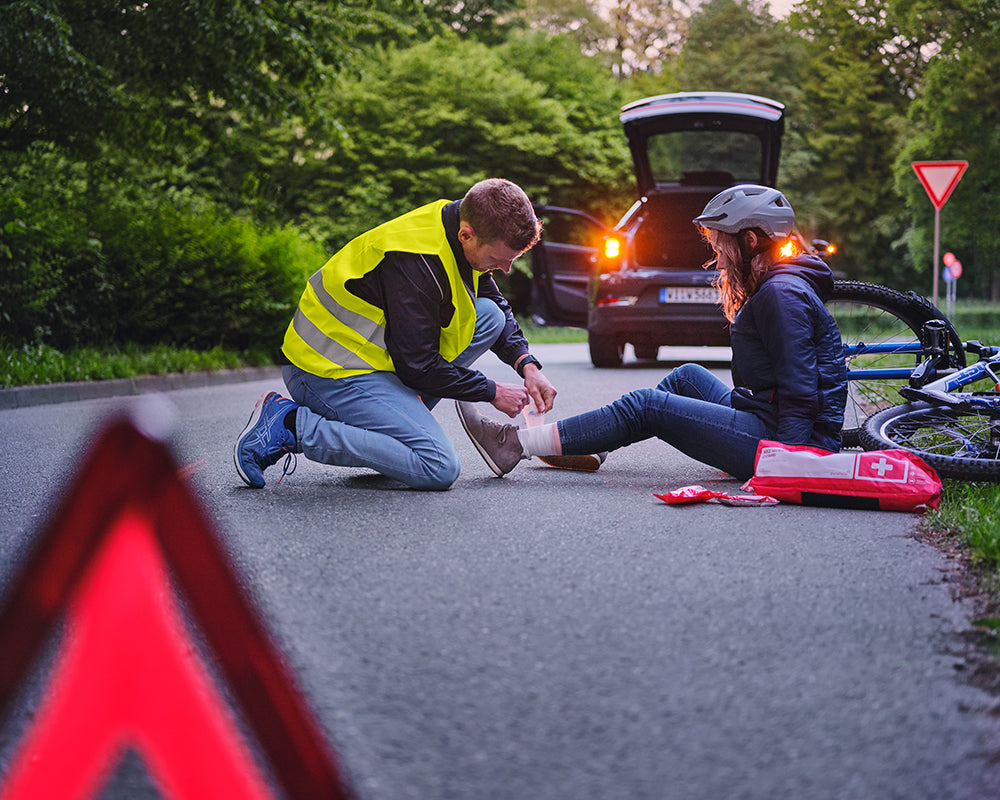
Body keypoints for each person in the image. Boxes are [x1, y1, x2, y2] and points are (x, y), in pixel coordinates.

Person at [455, 184, 847, 481]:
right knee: (687, 376)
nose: (715, 254)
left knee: (647, 406)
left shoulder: (781, 295)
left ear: (750, 240)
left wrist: (790, 468)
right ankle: (590, 443)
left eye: (721, 242)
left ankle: (514, 445)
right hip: (765, 416)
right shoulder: (778, 284)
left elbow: (801, 392)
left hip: (787, 442)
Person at [234, 178, 557, 490]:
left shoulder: (457, 229)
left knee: (489, 316)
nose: (505, 269)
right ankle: (291, 426)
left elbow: (496, 305)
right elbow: (418, 365)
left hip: (378, 362)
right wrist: (491, 391)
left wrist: (526, 364)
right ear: (466, 235)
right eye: (497, 259)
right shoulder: (415, 261)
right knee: (438, 466)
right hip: (326, 372)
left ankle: (398, 432)